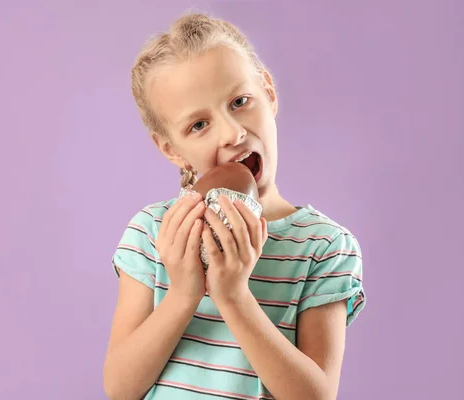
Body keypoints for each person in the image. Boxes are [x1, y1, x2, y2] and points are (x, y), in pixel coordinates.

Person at [103, 11, 365, 400]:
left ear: (269, 93)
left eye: (240, 101)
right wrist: (182, 293)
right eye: (199, 125)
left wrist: (234, 296)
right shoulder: (154, 233)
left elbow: (316, 395)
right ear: (171, 149)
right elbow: (119, 389)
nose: (233, 132)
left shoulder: (324, 247)